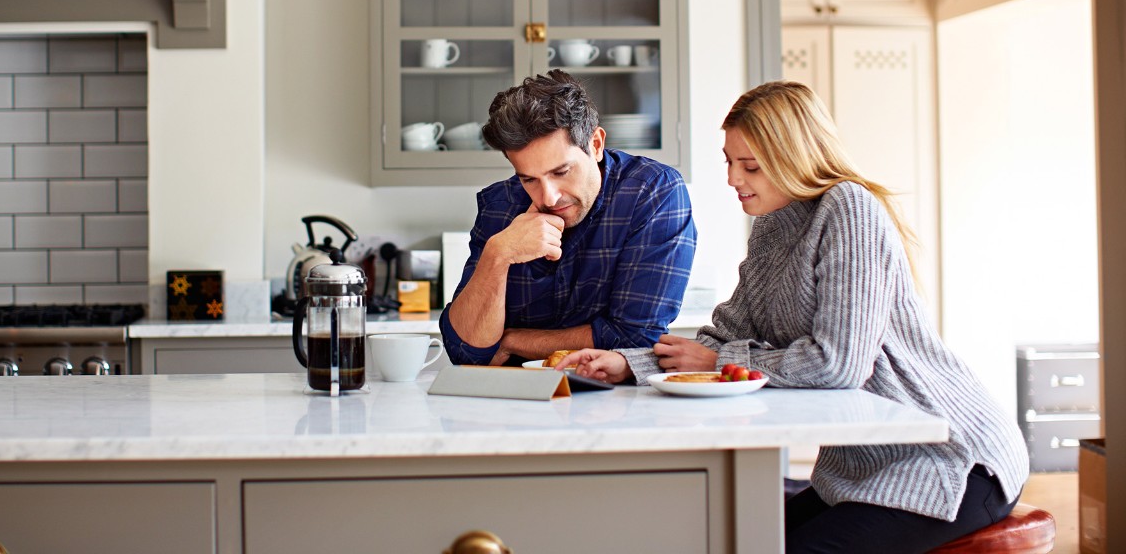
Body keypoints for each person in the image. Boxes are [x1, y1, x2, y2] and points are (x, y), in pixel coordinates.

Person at [559, 81, 1028, 553]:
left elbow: (837, 364)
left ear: (794, 157)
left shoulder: (850, 208)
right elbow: (724, 336)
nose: (732, 179)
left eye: (751, 166)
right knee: (737, 538)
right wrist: (629, 363)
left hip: (950, 461)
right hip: (863, 467)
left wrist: (719, 362)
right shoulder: (772, 225)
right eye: (729, 161)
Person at [440, 69, 697, 366]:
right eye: (528, 179)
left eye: (561, 172)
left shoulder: (652, 192)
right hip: (514, 401)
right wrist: (498, 255)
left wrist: (514, 341)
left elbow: (636, 339)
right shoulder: (501, 205)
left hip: (612, 402)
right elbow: (466, 351)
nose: (548, 197)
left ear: (596, 145)